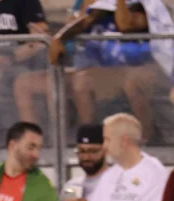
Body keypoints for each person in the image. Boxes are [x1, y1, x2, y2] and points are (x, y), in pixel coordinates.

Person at [49, 0, 174, 142]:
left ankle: (148, 139)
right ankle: (91, 141)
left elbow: (126, 25)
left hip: (154, 65)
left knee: (132, 82)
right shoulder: (107, 4)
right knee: (82, 82)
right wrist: (59, 38)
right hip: (120, 68)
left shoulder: (148, 5)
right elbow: (87, 20)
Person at [0, 0, 49, 147]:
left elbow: (41, 39)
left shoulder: (26, 3)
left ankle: (32, 141)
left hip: (24, 65)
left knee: (22, 82)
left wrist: (12, 57)